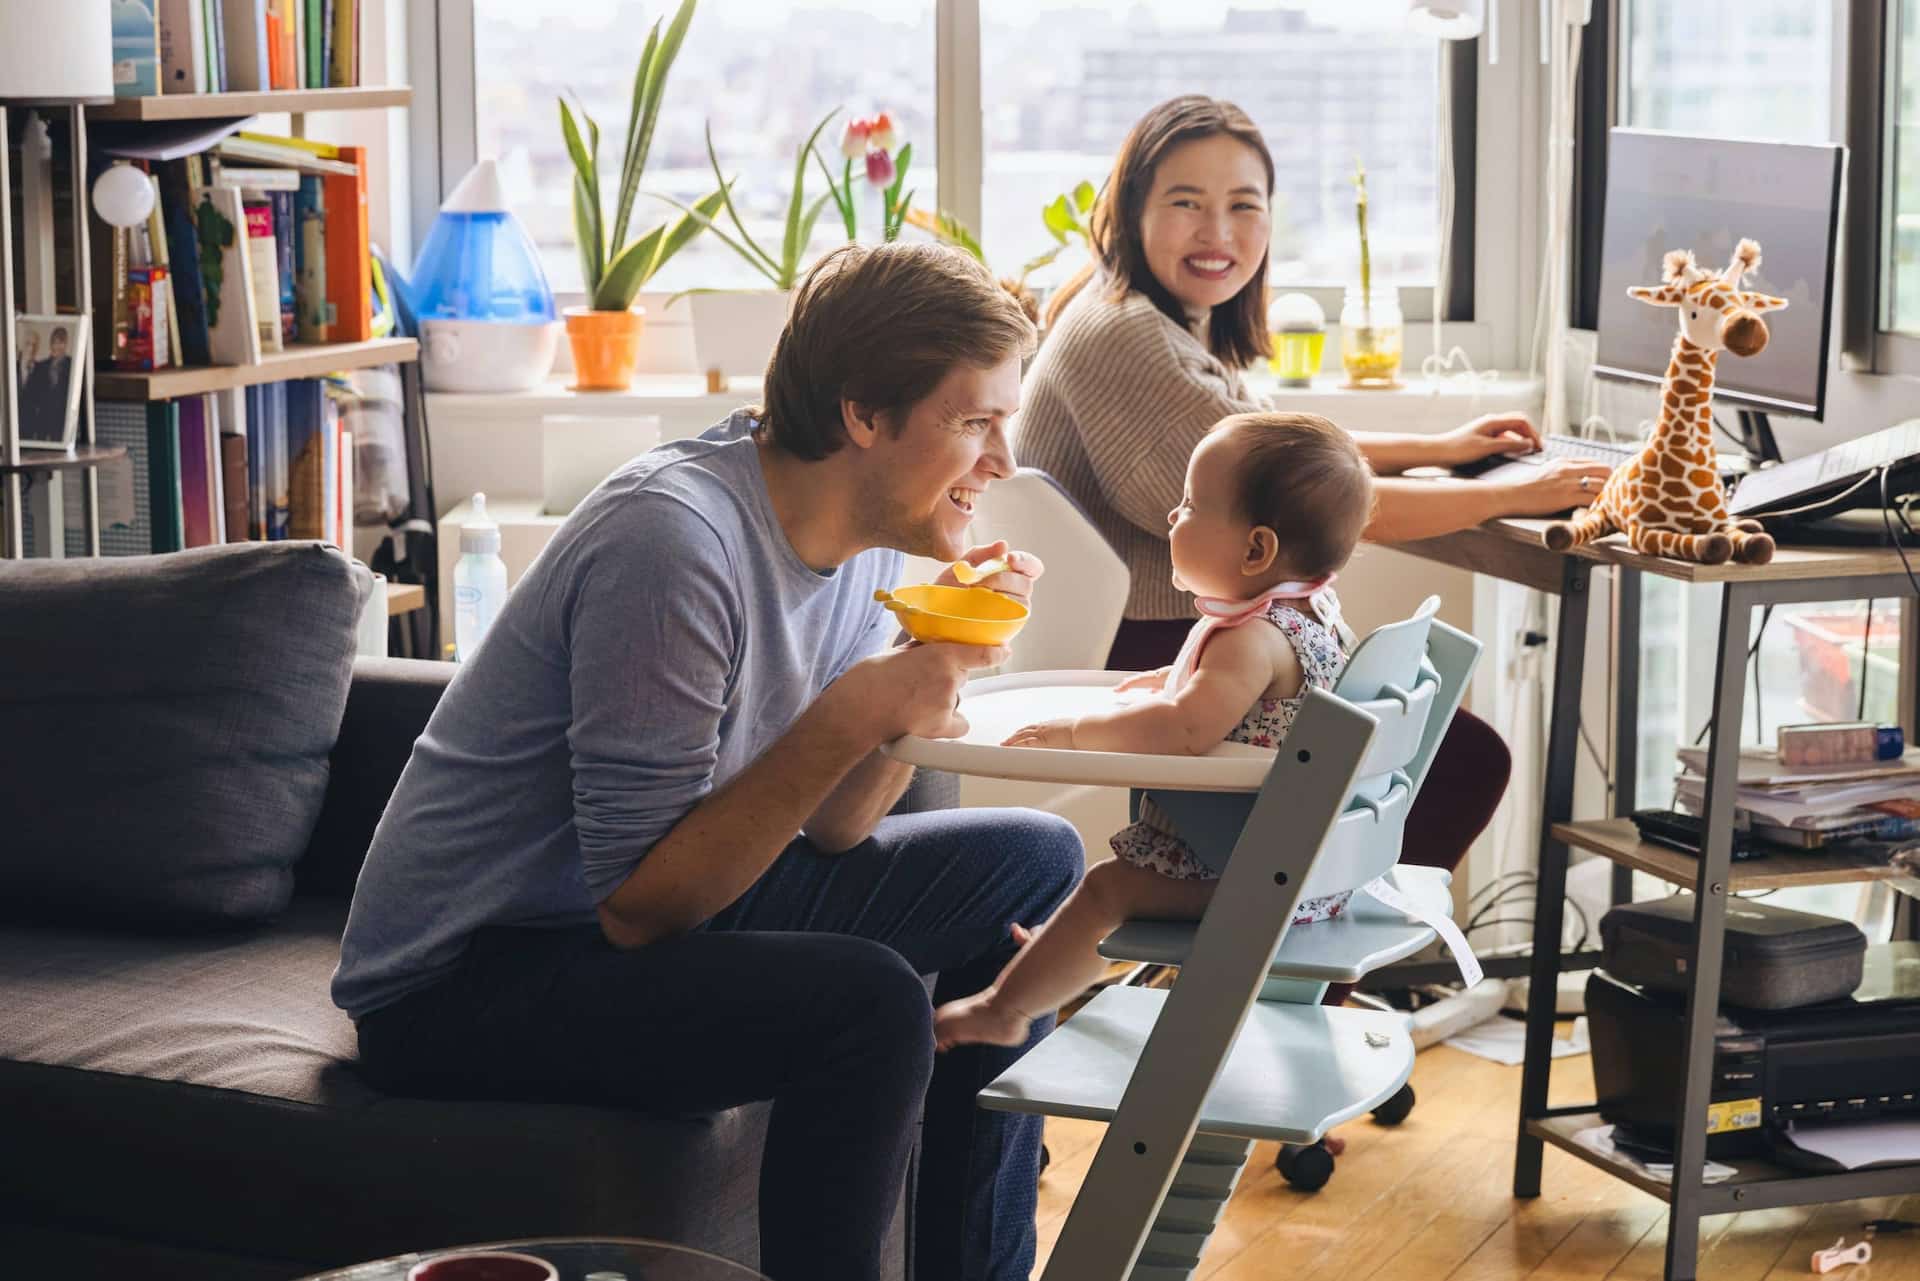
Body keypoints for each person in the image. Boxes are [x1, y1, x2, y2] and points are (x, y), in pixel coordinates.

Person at [331, 242, 1084, 1281]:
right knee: (868, 1003)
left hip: (620, 928)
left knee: (1036, 857)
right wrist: (852, 709)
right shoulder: (674, 544)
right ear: (864, 414)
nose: (1003, 459)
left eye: (1007, 420)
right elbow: (638, 908)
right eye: (975, 423)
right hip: (465, 983)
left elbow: (835, 829)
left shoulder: (870, 529)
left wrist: (922, 675)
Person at [1011, 94, 1606, 1002]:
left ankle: (1275, 963)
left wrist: (1445, 450)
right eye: (1185, 201)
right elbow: (1315, 516)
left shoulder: (1165, 318)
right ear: (1130, 208)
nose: (1218, 230)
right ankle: (1278, 972)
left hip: (1192, 632)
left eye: (1244, 204)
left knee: (1435, 749)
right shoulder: (1126, 337)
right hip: (1155, 642)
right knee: (1463, 758)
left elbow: (1282, 454)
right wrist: (1521, 492)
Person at [935, 412, 1370, 1049]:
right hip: (1304, 865)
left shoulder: (1251, 638)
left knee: (1110, 888)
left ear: (1256, 550)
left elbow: (1185, 730)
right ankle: (1059, 953)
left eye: (1191, 505)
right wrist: (1173, 673)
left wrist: (1078, 732)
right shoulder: (1305, 618)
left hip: (1248, 872)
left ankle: (1005, 1008)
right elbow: (1246, 701)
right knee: (1106, 896)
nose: (1173, 516)